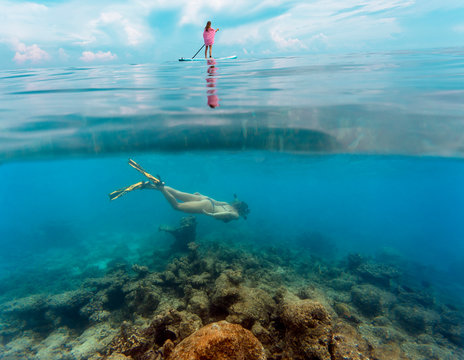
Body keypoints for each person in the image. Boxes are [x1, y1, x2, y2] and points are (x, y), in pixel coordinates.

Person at [141, 180, 249, 222]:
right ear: (242, 211)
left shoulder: (228, 203)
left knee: (177, 193)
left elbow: (216, 201)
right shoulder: (236, 215)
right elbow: (227, 213)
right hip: (207, 207)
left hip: (206, 200)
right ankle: (161, 188)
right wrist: (212, 214)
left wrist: (202, 195)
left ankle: (149, 186)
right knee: (177, 206)